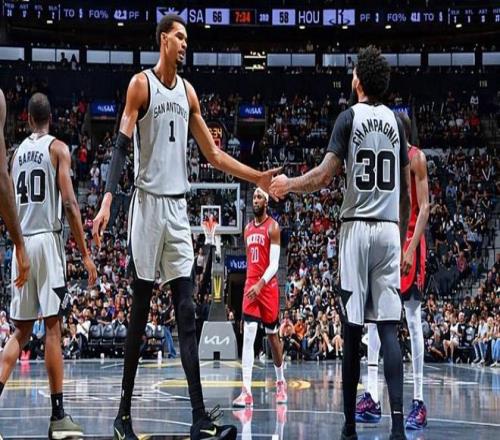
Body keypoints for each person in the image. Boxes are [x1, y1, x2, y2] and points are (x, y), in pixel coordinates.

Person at [91, 14, 278, 440]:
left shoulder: (188, 92)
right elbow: (120, 145)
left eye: (187, 39)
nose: (185, 44)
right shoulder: (140, 85)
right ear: (163, 40)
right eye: (180, 37)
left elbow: (213, 155)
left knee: (188, 310)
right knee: (140, 310)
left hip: (177, 208)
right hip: (146, 205)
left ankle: (199, 418)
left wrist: (257, 177)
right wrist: (107, 199)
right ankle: (122, 416)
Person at [270, 45, 411, 440]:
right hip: (389, 229)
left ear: (359, 80)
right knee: (388, 329)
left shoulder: (349, 118)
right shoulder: (397, 123)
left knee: (351, 330)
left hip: (356, 229)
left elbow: (324, 175)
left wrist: (288, 184)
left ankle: (349, 426)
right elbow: (404, 191)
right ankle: (398, 427)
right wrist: (400, 235)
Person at [0, 93, 96, 439]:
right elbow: (69, 203)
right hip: (47, 242)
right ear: (50, 119)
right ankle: (58, 417)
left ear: (27, 120)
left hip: (21, 243)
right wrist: (85, 254)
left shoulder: (14, 156)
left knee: (20, 332)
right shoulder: (58, 148)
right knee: (53, 328)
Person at [356, 111, 430, 430]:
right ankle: (372, 397)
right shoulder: (385, 160)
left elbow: (424, 208)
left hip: (410, 241)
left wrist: (410, 249)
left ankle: (419, 402)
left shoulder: (416, 158)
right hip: (387, 241)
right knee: (374, 319)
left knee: (412, 318)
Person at [232, 187, 286, 408]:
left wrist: (260, 284)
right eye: (254, 197)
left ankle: (280, 381)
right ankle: (246, 391)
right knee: (248, 336)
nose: (255, 200)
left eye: (259, 197)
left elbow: (274, 264)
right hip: (250, 285)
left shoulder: (273, 227)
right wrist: (251, 283)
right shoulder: (246, 229)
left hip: (267, 287)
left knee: (272, 337)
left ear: (266, 202)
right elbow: (251, 261)